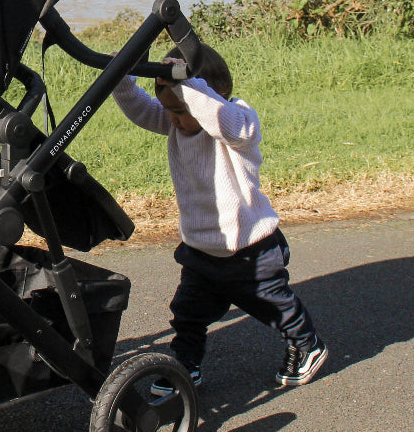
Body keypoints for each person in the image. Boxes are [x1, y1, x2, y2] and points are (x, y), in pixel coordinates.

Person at [113, 43, 328, 392]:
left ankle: (307, 344)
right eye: (169, 110)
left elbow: (223, 121)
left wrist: (187, 84)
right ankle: (186, 366)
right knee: (187, 313)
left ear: (211, 95)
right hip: (200, 250)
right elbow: (139, 107)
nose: (174, 119)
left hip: (250, 249)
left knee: (275, 306)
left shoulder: (239, 122)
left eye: (181, 110)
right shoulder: (176, 123)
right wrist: (122, 76)